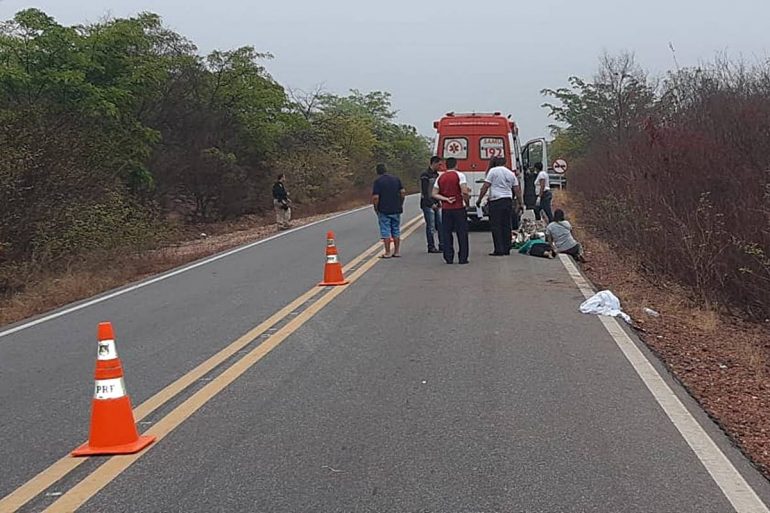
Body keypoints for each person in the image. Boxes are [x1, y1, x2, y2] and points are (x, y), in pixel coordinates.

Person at [475, 156, 524, 256]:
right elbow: (517, 190)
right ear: (505, 162)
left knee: (496, 226)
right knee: (506, 225)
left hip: (496, 201)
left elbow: (485, 186)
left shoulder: (493, 171)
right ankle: (507, 248)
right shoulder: (511, 173)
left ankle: (499, 249)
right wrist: (520, 203)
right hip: (507, 200)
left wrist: (479, 199)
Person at [432, 157, 470, 264]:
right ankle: (463, 257)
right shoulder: (460, 175)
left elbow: (434, 193)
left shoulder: (441, 177)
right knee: (462, 233)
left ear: (446, 166)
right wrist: (466, 203)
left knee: (446, 233)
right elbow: (464, 192)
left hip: (446, 209)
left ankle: (448, 257)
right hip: (458, 208)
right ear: (456, 165)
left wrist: (446, 199)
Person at [372, 163, 406, 258]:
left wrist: (376, 208)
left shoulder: (378, 181)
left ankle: (387, 252)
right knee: (396, 229)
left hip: (384, 209)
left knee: (385, 230)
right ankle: (397, 251)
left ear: (377, 171)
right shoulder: (396, 179)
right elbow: (403, 192)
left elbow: (375, 197)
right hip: (396, 208)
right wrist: (400, 203)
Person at [420, 156, 443, 253]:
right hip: (427, 204)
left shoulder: (436, 175)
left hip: (436, 202)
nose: (440, 166)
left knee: (440, 225)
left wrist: (439, 202)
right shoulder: (425, 175)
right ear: (433, 163)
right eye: (439, 164)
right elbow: (425, 192)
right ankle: (431, 246)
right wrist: (431, 204)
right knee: (430, 226)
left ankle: (442, 244)